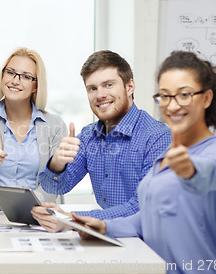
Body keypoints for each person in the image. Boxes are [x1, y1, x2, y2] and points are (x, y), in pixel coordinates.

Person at [72, 51, 216, 274]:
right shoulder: (164, 158)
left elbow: (211, 171)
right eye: (165, 95)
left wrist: (191, 170)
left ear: (206, 98)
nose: (172, 106)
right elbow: (150, 217)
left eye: (184, 95)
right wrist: (105, 226)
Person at [31, 50, 172, 232]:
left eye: (108, 85)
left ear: (129, 87)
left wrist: (72, 220)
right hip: (108, 236)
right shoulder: (89, 135)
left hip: (148, 240)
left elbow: (142, 206)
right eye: (93, 88)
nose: (100, 95)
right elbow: (55, 186)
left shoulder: (158, 137)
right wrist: (58, 162)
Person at [0, 47, 67, 202]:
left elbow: (56, 179)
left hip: (37, 213)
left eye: (26, 76)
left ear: (36, 86)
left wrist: (31, 206)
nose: (15, 80)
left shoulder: (55, 125)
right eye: (10, 72)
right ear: (2, 75)